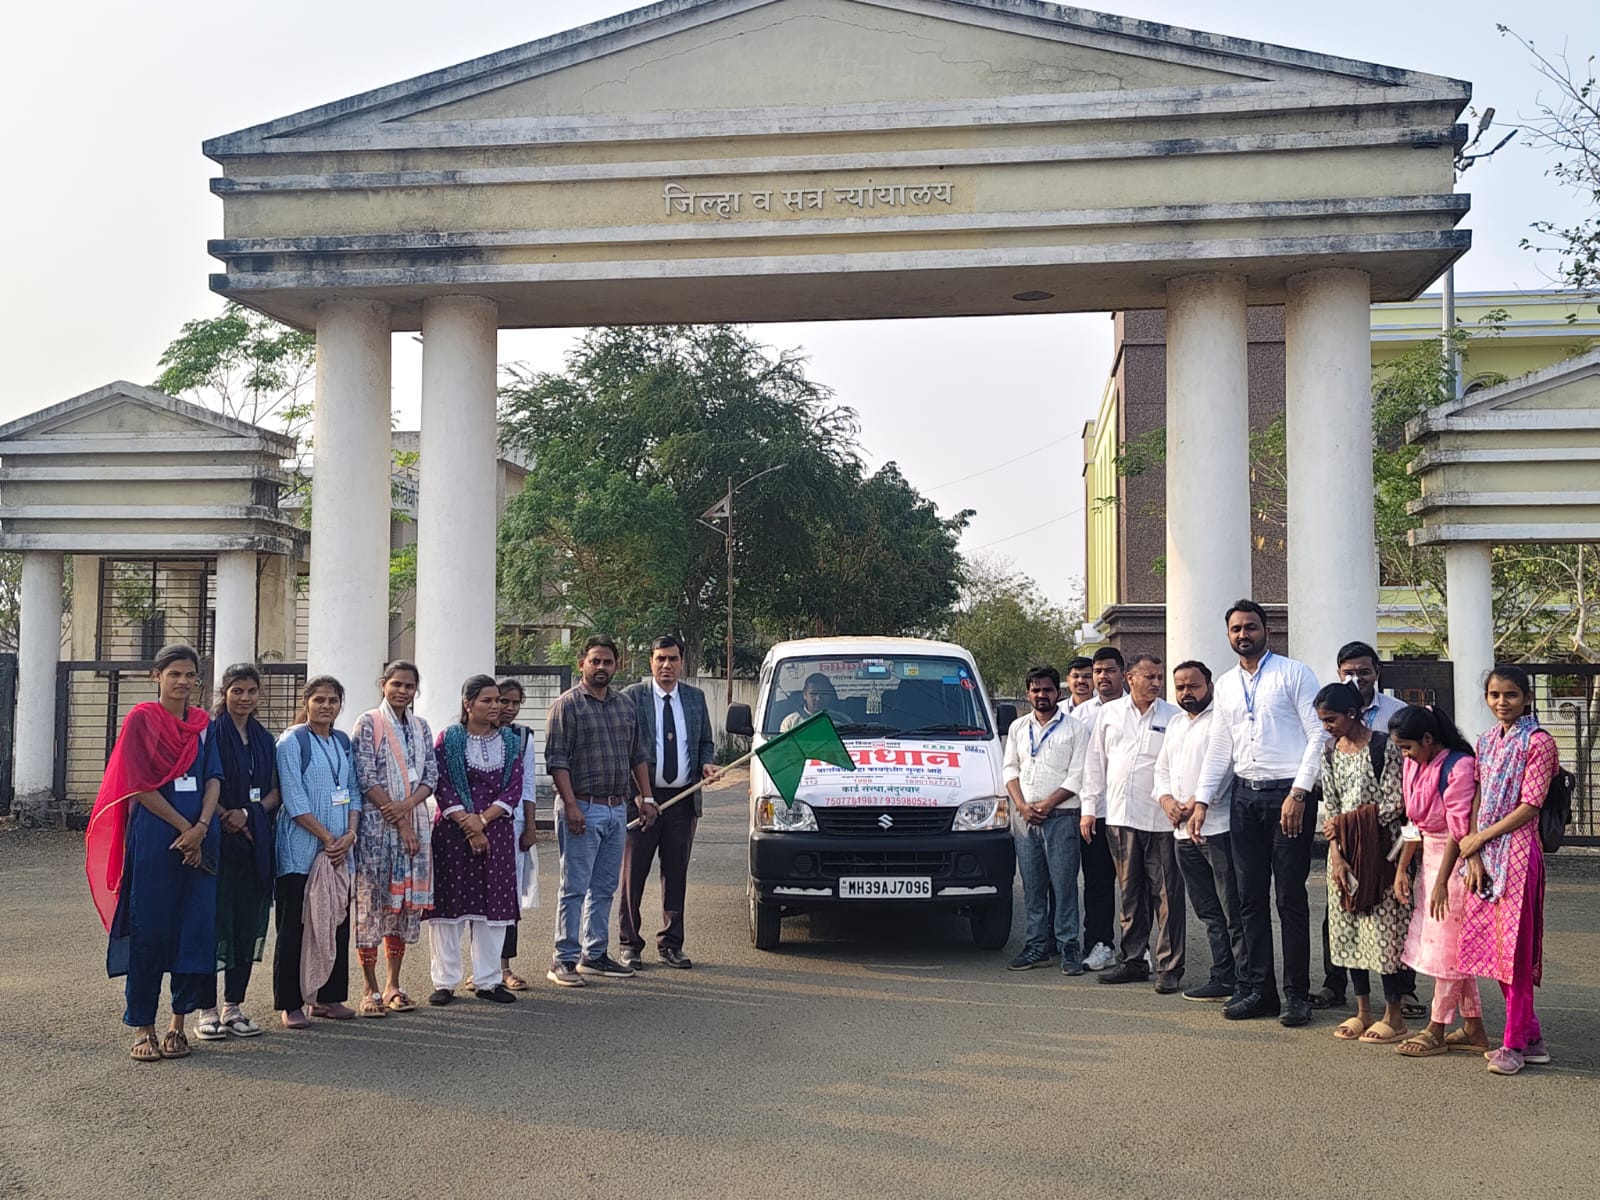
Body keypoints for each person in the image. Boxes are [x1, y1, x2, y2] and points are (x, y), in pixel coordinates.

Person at [1193, 600, 1325, 1026]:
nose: (1243, 634)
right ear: (1228, 635)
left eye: (1250, 626)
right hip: (1244, 798)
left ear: (1266, 630)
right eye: (1236, 629)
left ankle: (1296, 995)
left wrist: (1300, 792)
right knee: (1248, 898)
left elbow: (1318, 735)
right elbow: (1220, 746)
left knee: (1289, 898)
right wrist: (1201, 800)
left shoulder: (1294, 673)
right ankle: (1259, 990)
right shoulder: (1226, 684)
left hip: (1288, 796)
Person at [89, 644, 222, 1062]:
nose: (182, 681)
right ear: (156, 676)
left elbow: (213, 778)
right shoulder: (141, 720)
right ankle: (143, 1026)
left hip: (201, 837)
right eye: (174, 673)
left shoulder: (202, 725)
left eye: (189, 675)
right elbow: (138, 784)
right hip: (155, 840)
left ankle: (177, 1025)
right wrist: (185, 829)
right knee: (150, 930)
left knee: (193, 930)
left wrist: (201, 828)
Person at [1458, 665, 1558, 1075]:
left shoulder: (1539, 742)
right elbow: (1478, 796)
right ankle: (1531, 1037)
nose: (1502, 702)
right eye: (1495, 695)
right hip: (1486, 854)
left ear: (1527, 698)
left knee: (1514, 953)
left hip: (1518, 853)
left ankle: (1513, 1045)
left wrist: (1480, 839)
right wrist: (1473, 850)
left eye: (1511, 695)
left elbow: (1530, 806)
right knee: (1496, 950)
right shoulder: (1485, 741)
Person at [545, 636, 658, 986]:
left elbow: (637, 755)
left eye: (607, 662)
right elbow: (557, 760)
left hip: (616, 809)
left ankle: (594, 954)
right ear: (582, 663)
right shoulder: (567, 705)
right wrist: (571, 804)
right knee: (574, 887)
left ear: (616, 666)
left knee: (605, 887)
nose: (601, 667)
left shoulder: (625, 705)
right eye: (595, 661)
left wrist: (647, 797)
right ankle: (563, 958)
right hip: (582, 806)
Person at [1314, 640, 1416, 1013]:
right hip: (1343, 852)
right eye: (1323, 721)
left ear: (1353, 714)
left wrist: (1346, 825)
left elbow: (1394, 803)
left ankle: (1393, 1011)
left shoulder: (1385, 746)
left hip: (1381, 849)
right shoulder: (1329, 750)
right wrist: (1337, 852)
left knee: (1385, 928)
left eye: (1331, 720)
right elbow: (1331, 804)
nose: (1327, 727)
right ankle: (1361, 1011)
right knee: (1348, 926)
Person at [1388, 704, 1487, 1059]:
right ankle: (1473, 1026)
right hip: (1429, 860)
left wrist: (1443, 881)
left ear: (1428, 739)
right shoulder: (1415, 765)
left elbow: (1459, 831)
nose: (1405, 755)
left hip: (1455, 863)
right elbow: (1413, 822)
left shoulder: (1459, 766)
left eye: (1408, 747)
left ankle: (1436, 1027)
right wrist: (1402, 868)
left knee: (1447, 949)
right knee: (1453, 947)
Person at [1082, 652, 1183, 991]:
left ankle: (1170, 966)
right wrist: (1088, 808)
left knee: (1166, 896)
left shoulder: (1173, 717)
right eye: (1149, 677)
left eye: (1159, 677)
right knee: (1130, 894)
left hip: (1161, 820)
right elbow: (1095, 763)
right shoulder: (1110, 714)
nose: (1156, 683)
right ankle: (1133, 960)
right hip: (1120, 817)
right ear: (1130, 678)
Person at [620, 635, 718, 970]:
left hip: (683, 799)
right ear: (650, 661)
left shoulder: (694, 698)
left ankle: (671, 944)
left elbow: (705, 742)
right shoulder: (632, 697)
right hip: (641, 801)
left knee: (676, 874)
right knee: (633, 875)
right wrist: (638, 794)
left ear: (682, 662)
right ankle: (629, 944)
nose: (666, 665)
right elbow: (623, 749)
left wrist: (707, 764)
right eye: (660, 658)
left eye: (673, 659)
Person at [425, 675, 524, 1005]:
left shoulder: (510, 742)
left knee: (493, 904)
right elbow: (441, 783)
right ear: (468, 704)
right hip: (453, 832)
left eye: (498, 700)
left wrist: (482, 821)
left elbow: (513, 788)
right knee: (450, 905)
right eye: (488, 700)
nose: (496, 706)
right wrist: (468, 824)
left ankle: (488, 981)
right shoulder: (449, 739)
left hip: (496, 831)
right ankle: (444, 981)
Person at [193, 663, 278, 1041]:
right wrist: (225, 814)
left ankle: (233, 1007)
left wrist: (247, 813)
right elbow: (202, 783)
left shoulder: (264, 739)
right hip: (216, 842)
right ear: (223, 693)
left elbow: (276, 791)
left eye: (251, 691)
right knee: (212, 925)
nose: (245, 698)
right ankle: (206, 1010)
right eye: (237, 691)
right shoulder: (209, 734)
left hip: (254, 842)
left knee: (246, 923)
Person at [1155, 660, 1246, 1003]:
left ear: (1209, 685)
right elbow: (1161, 770)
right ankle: (1222, 975)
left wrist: (1196, 802)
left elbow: (1226, 769)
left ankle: (1245, 980)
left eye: (1193, 685)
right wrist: (1167, 800)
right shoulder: (1176, 724)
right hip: (1181, 832)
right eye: (1180, 687)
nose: (1186, 693)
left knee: (1231, 908)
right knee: (1207, 910)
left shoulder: (1221, 722)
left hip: (1217, 829)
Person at [273, 675, 360, 1029]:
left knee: (336, 922)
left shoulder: (342, 741)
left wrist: (350, 834)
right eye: (319, 699)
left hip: (338, 852)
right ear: (305, 702)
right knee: (295, 926)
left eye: (333, 700)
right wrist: (326, 837)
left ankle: (328, 998)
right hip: (301, 852)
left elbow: (353, 790)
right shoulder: (292, 741)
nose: (326, 706)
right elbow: (293, 797)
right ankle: (290, 1003)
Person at [351, 660, 438, 1016]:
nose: (402, 691)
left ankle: (393, 985)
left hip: (414, 821)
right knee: (372, 905)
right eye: (396, 684)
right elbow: (365, 776)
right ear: (383, 684)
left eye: (409, 686)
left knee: (401, 908)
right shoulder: (369, 722)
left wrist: (408, 807)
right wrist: (400, 819)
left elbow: (430, 775)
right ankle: (369, 988)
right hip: (377, 828)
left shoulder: (421, 726)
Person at [1002, 665, 1092, 974]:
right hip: (1025, 818)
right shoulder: (1018, 727)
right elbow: (1009, 769)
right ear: (1028, 693)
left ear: (1058, 692)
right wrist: (1022, 805)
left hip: (1063, 816)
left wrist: (1047, 804)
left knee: (1064, 885)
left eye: (1048, 689)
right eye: (1036, 689)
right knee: (1033, 885)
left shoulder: (1076, 729)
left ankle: (1069, 946)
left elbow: (1078, 775)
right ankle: (1037, 945)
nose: (1042, 695)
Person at [1070, 645, 1125, 971]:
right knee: (1098, 883)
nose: (1103, 677)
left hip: (1133, 814)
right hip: (1095, 813)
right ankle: (1100, 944)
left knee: (1136, 885)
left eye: (1110, 670)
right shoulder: (1081, 716)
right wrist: (1086, 809)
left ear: (1123, 674)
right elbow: (1081, 767)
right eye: (1098, 671)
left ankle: (1138, 947)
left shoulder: (1138, 709)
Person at [494, 678, 541, 990]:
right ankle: (480, 969)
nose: (508, 708)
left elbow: (528, 785)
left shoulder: (523, 737)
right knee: (478, 897)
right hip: (480, 826)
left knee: (508, 897)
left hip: (514, 824)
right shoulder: (469, 735)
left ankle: (504, 967)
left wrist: (530, 827)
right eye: (503, 701)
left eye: (515, 703)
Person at [779, 672, 849, 731]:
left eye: (823, 694)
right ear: (804, 695)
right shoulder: (790, 723)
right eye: (813, 694)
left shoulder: (842, 719)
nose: (818, 699)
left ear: (829, 695)